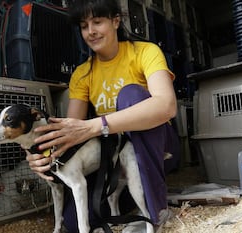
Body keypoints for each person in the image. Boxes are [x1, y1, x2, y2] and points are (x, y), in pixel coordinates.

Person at [25, 0, 180, 231]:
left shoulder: (145, 52)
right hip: (115, 156)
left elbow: (166, 106)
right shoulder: (82, 73)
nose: (91, 31)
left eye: (98, 22)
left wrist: (97, 125)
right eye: (84, 26)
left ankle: (156, 210)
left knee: (132, 94)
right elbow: (72, 133)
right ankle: (132, 197)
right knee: (75, 222)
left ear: (116, 21)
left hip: (158, 147)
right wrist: (38, 155)